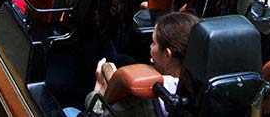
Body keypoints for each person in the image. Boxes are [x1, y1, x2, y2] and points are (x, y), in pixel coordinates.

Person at [64, 11, 198, 117]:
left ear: (167, 55)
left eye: (154, 43)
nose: (150, 48)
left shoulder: (143, 99)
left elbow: (100, 114)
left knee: (68, 111)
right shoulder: (210, 94)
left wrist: (99, 90)